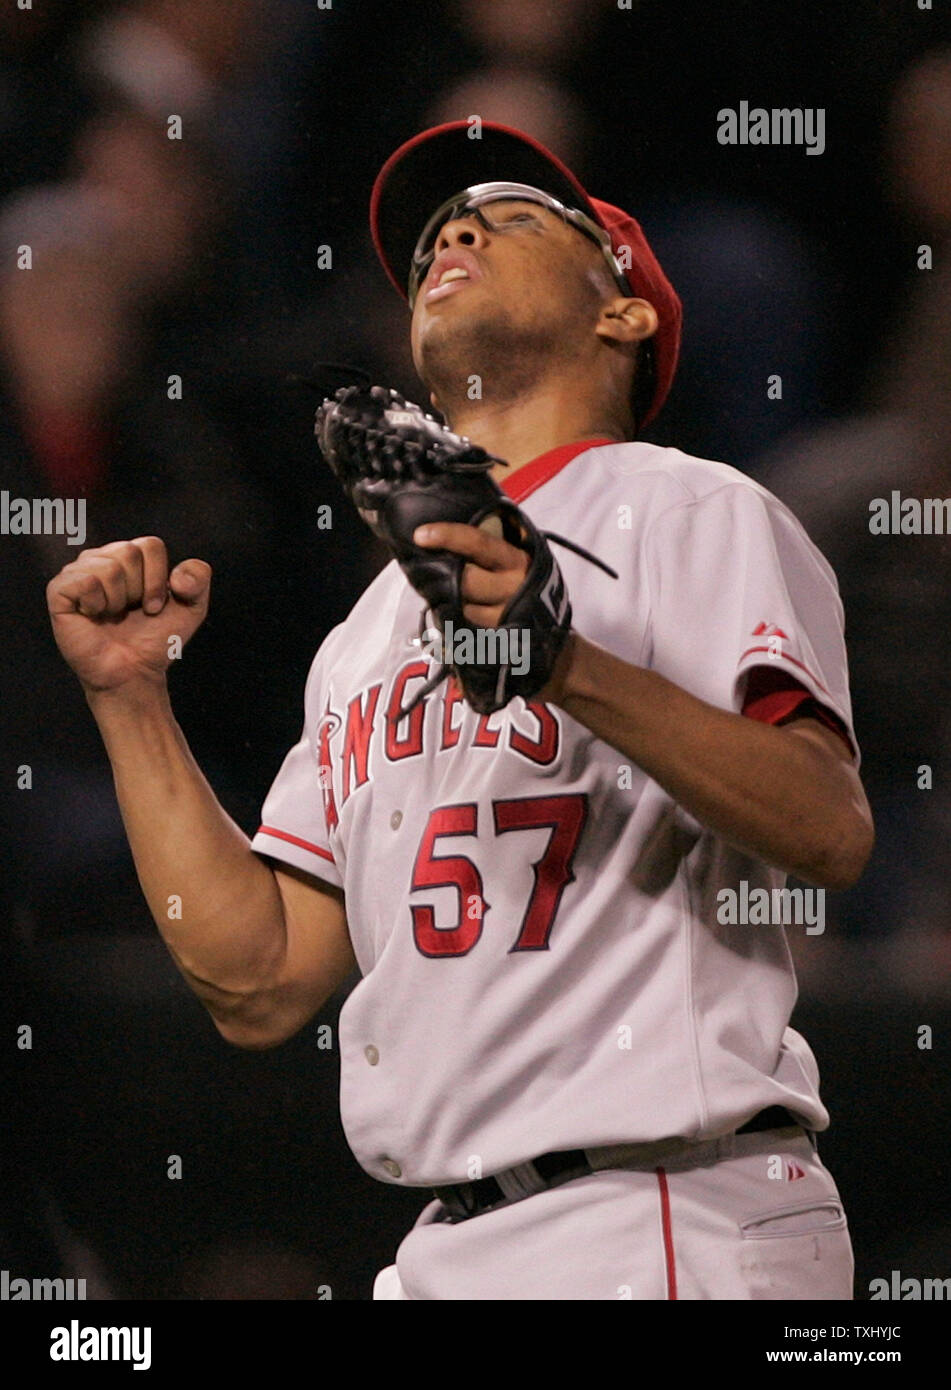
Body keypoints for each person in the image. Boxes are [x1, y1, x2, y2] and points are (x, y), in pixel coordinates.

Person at [47, 121, 874, 1300]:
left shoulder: (693, 511)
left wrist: (560, 661)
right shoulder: (368, 628)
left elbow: (830, 828)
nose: (458, 231)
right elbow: (261, 976)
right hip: (446, 1240)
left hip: (662, 1208)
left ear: (624, 311)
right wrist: (131, 703)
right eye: (438, 232)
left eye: (512, 215)